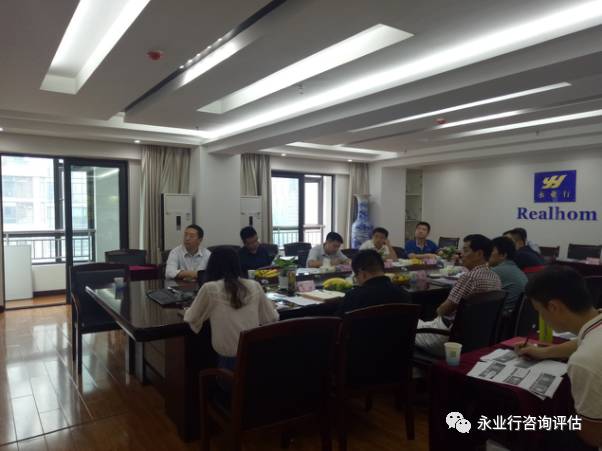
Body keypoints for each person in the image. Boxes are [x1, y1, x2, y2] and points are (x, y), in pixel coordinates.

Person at [516, 266, 602, 449]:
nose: (541, 317)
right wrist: (543, 352)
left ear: (553, 307)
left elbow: (594, 436)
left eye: (539, 311)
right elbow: (581, 341)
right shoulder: (596, 327)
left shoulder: (584, 361)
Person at [184, 247, 279, 371]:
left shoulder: (210, 288)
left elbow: (192, 317)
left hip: (228, 362)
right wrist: (270, 306)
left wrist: (187, 310)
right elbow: (271, 318)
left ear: (212, 266)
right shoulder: (254, 285)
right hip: (254, 356)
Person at [415, 234, 501, 356]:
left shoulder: (469, 277)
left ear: (479, 254)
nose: (461, 254)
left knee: (401, 325)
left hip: (448, 340)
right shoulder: (495, 277)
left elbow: (442, 311)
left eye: (465, 250)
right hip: (476, 340)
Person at [337, 250, 409, 315]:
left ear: (362, 273)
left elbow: (339, 322)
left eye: (356, 276)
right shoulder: (403, 294)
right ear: (382, 269)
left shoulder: (352, 297)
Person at [489, 236, 528, 314]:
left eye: (491, 251)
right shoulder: (516, 269)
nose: (487, 254)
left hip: (502, 317)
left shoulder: (496, 271)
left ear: (503, 255)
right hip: (515, 316)